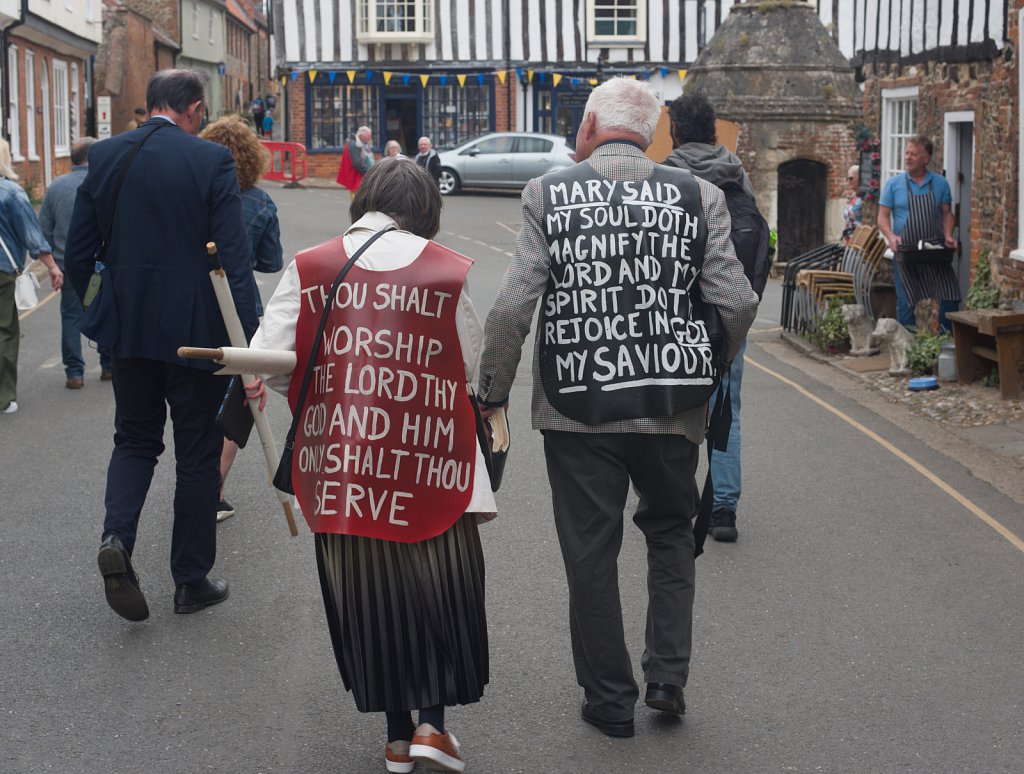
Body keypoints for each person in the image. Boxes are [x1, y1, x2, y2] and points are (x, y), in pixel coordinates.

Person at [477, 78, 758, 737]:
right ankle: (666, 677)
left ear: (591, 127)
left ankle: (608, 702)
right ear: (648, 131)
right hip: (669, 403)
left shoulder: (550, 192)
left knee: (590, 553)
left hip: (578, 410)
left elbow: (512, 308)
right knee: (668, 532)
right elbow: (739, 303)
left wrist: (490, 393)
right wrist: (707, 369)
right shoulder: (701, 196)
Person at [245, 158, 495, 773]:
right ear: (427, 212)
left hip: (343, 467)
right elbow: (469, 368)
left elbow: (266, 358)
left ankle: (395, 736)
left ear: (364, 202)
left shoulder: (312, 266)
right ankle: (434, 726)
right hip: (432, 461)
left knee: (368, 598)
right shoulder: (446, 270)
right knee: (439, 590)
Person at [64, 69, 259, 622]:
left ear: (151, 104)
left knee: (134, 441)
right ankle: (190, 580)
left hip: (128, 332)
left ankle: (118, 540)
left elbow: (78, 254)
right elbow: (234, 266)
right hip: (196, 337)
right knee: (197, 454)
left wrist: (103, 309)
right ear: (195, 108)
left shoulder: (106, 157)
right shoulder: (210, 161)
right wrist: (246, 353)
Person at [663, 91, 761, 544]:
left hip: (676, 314)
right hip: (728, 314)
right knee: (727, 410)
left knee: (672, 405)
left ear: (675, 130)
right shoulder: (737, 173)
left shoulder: (667, 176)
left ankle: (671, 501)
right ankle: (723, 510)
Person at [199, 114, 284, 522]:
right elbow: (270, 261)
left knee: (192, 394)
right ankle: (212, 490)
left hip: (195, 302)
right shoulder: (259, 201)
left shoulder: (195, 194)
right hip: (240, 306)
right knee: (241, 397)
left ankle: (195, 481)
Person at [39, 137, 113, 390]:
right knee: (104, 310)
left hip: (66, 265)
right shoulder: (103, 183)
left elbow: (45, 230)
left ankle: (74, 372)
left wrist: (52, 263)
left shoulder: (56, 187)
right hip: (101, 265)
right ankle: (108, 366)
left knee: (71, 317)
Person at [0, 138, 63, 415]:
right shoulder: (10, 192)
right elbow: (31, 236)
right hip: (3, 271)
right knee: (5, 332)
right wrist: (51, 265)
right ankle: (3, 397)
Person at [877, 136, 959, 330]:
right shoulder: (893, 184)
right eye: (906, 153)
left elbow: (947, 214)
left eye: (913, 154)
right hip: (906, 253)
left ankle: (942, 347)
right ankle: (907, 352)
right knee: (906, 303)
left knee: (950, 298)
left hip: (935, 251)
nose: (908, 157)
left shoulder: (940, 184)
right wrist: (891, 237)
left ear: (926, 158)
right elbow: (882, 217)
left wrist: (948, 235)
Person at [336, 125, 374, 200]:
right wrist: (369, 172)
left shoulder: (358, 143)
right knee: (357, 199)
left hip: (357, 176)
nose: (370, 138)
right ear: (362, 135)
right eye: (368, 136)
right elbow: (357, 163)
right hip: (355, 176)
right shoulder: (354, 145)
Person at [843, 164, 863, 242]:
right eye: (848, 179)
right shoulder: (854, 195)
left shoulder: (863, 198)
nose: (849, 182)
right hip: (850, 239)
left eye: (851, 178)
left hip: (859, 239)